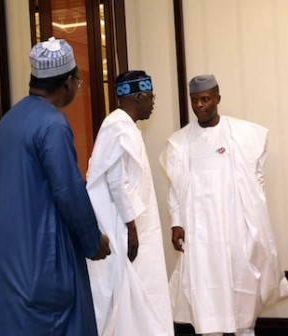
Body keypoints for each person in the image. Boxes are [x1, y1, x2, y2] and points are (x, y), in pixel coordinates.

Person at [0, 37, 110, 336]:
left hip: (8, 261)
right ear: (68, 82)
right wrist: (93, 242)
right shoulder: (52, 124)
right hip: (45, 259)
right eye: (78, 81)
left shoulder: (8, 121)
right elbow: (69, 193)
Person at [160, 74, 288, 336]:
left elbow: (257, 182)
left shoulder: (243, 134)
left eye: (205, 99)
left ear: (218, 98)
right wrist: (176, 223)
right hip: (200, 236)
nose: (199, 106)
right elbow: (175, 189)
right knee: (205, 294)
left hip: (235, 229)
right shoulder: (180, 143)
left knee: (242, 290)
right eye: (195, 100)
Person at [86, 70, 173, 335]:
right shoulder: (117, 126)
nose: (153, 103)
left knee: (141, 289)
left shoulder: (124, 125)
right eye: (151, 97)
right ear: (138, 96)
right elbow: (116, 180)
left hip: (132, 223)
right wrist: (131, 229)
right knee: (125, 290)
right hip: (122, 225)